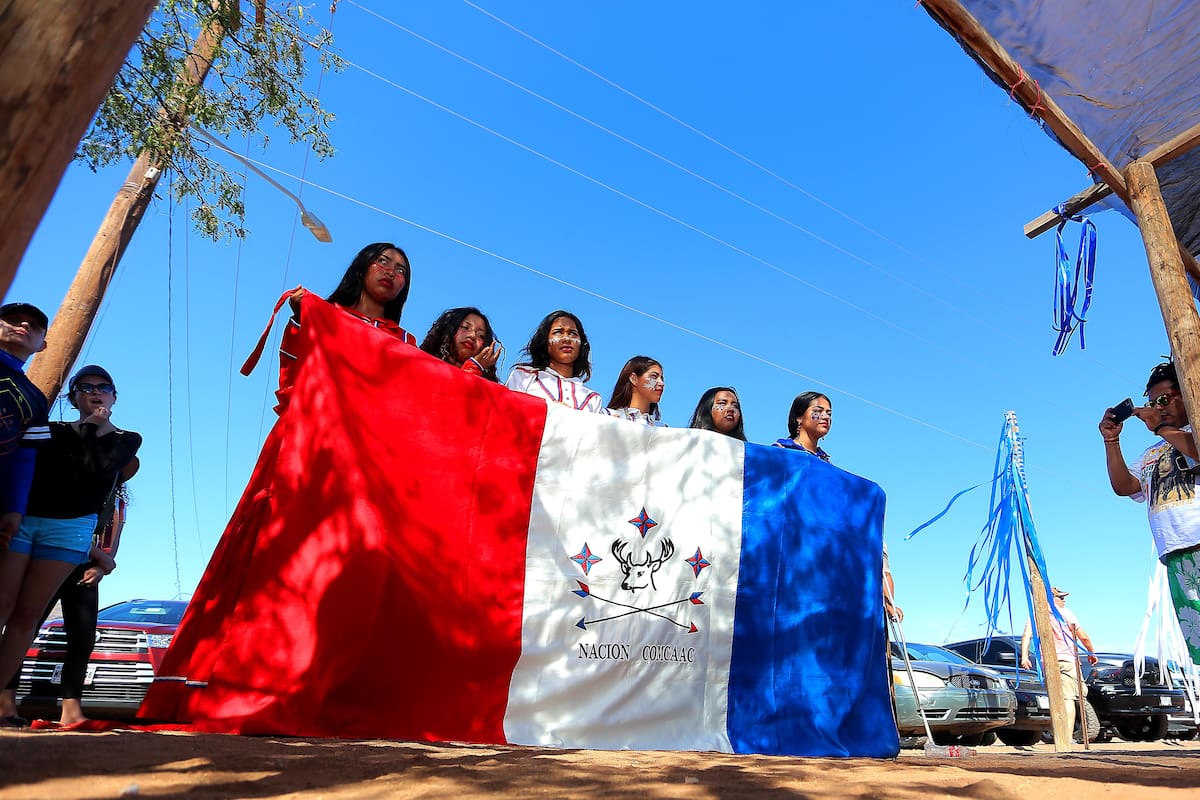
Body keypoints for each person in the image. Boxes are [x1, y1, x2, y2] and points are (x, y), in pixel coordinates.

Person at [0, 365, 141, 727]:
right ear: (72, 396)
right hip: (33, 526)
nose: (96, 392)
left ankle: (62, 706)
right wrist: (92, 425)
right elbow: (46, 464)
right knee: (11, 611)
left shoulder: (126, 442)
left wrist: (104, 562)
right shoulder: (55, 430)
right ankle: (5, 701)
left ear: (114, 397)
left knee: (58, 623)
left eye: (104, 388)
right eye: (86, 387)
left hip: (73, 540)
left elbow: (103, 464)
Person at [0, 483, 130, 728]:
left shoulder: (116, 501)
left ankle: (71, 710)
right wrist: (100, 556)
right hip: (53, 555)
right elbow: (64, 528)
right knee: (26, 624)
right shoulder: (71, 486)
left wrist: (101, 567)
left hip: (85, 568)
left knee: (83, 638)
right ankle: (5, 703)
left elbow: (112, 538)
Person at [1100, 361, 1200, 661]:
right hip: (1175, 552)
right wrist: (1111, 440)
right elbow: (1125, 485)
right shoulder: (1153, 452)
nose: (1158, 407)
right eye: (1153, 402)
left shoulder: (1191, 432)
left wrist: (1160, 426)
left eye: (1164, 399)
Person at [289, 242, 415, 344]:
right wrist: (302, 318)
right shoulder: (325, 315)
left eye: (400, 270)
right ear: (361, 268)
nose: (391, 272)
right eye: (382, 261)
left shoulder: (404, 341)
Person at [0, 303, 50, 554]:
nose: (24, 325)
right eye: (13, 319)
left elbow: (26, 457)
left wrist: (15, 509)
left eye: (34, 325)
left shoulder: (37, 400)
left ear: (42, 345)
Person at [1020, 587, 1098, 736]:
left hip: (1047, 662)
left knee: (1056, 698)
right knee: (1068, 698)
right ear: (1052, 598)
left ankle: (1059, 734)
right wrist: (1091, 653)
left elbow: (1026, 636)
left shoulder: (1036, 614)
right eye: (1061, 597)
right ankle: (1066, 738)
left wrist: (1024, 657)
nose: (1064, 600)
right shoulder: (1065, 613)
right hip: (1066, 660)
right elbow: (1083, 636)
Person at [504, 310, 602, 413]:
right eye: (558, 332)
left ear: (582, 344)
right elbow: (507, 414)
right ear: (545, 341)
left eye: (573, 333)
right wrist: (547, 409)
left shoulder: (592, 398)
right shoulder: (523, 376)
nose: (567, 339)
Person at [419, 307, 503, 381]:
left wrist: (476, 369)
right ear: (447, 330)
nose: (473, 336)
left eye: (481, 335)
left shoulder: (487, 391)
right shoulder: (418, 364)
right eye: (465, 327)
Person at [603, 356, 666, 426]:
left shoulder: (663, 428)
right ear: (634, 378)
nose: (661, 383)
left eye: (662, 378)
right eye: (654, 376)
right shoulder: (607, 416)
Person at [773, 391, 832, 461]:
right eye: (818, 411)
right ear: (799, 417)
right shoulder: (780, 451)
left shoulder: (826, 462)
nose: (826, 417)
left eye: (829, 414)